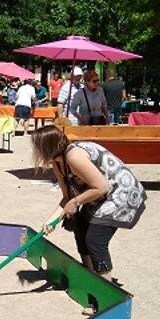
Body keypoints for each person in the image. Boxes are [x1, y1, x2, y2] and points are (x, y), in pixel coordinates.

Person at [33, 126, 146, 305]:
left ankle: (105, 298)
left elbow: (101, 187)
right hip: (100, 196)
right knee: (81, 227)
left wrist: (76, 202)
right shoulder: (58, 162)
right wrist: (50, 222)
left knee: (95, 240)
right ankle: (90, 278)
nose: (36, 151)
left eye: (37, 146)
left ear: (47, 146)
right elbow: (67, 198)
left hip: (120, 193)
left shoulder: (74, 156)